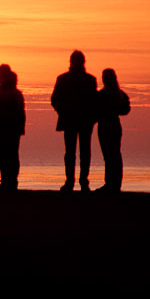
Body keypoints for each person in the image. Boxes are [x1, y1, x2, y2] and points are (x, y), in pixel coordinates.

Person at [51, 50, 98, 193]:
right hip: (80, 120)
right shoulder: (89, 80)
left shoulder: (65, 79)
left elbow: (55, 100)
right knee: (81, 152)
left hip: (75, 119)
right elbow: (55, 100)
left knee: (73, 152)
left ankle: (74, 182)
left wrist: (63, 111)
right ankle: (79, 182)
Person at [0, 65, 26, 190]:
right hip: (11, 129)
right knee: (11, 156)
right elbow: (21, 112)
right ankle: (10, 181)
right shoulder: (16, 93)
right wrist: (20, 129)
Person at [95, 69, 130, 194]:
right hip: (114, 125)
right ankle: (114, 183)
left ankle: (111, 183)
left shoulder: (102, 94)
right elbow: (126, 109)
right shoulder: (119, 94)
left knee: (109, 155)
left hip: (105, 125)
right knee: (115, 154)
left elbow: (95, 111)